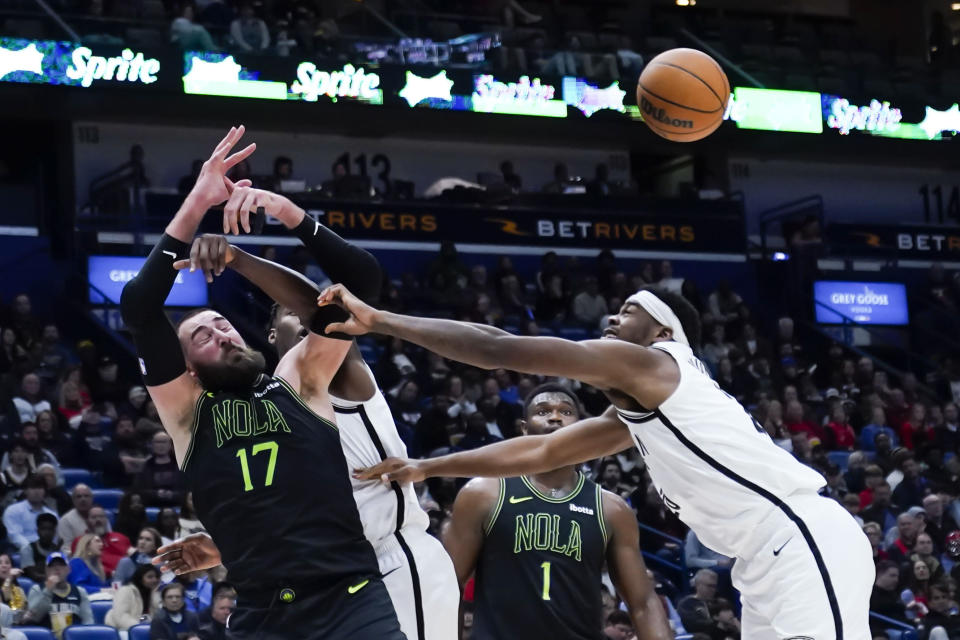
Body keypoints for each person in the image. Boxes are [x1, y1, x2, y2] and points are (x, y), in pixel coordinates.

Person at [333, 283, 876, 638]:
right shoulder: (654, 406)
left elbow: (499, 348)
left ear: (662, 333)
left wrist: (381, 320)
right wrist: (429, 467)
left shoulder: (654, 365)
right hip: (759, 563)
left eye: (628, 312)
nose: (613, 320)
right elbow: (540, 450)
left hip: (801, 537)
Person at [119, 127, 405, 640]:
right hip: (261, 612)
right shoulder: (187, 412)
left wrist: (286, 213)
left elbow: (362, 284)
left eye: (222, 323)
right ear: (185, 369)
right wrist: (200, 200)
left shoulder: (298, 378)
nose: (221, 334)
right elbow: (140, 306)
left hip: (350, 599)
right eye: (201, 337)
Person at [155, 224, 460, 639]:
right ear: (270, 333)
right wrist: (227, 545)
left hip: (390, 553)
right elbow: (289, 513)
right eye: (289, 312)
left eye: (302, 311)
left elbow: (337, 302)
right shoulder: (270, 393)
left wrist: (244, 254)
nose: (302, 316)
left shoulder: (328, 363)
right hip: (333, 573)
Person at [442, 384, 670, 638]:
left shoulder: (611, 509)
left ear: (583, 429)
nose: (555, 416)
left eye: (566, 411)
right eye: (543, 411)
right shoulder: (483, 494)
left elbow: (643, 602)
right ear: (524, 429)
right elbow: (446, 586)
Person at [22, 552, 93, 637]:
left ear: (68, 569)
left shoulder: (80, 592)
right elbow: (32, 619)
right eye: (52, 565)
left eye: (61, 565)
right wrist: (48, 591)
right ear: (46, 570)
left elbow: (88, 623)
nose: (57, 568)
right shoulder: (37, 590)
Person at [134, 431, 186, 507]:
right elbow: (138, 491)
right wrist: (156, 494)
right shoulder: (145, 467)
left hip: (177, 505)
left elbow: (188, 491)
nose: (161, 445)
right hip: (151, 505)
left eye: (164, 442)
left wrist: (173, 495)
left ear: (170, 445)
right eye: (158, 442)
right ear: (152, 445)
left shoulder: (181, 466)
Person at [2, 475, 56, 548]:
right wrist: (32, 549)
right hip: (20, 550)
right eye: (33, 488)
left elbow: (56, 537)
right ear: (25, 491)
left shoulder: (52, 514)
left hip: (46, 550)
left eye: (40, 488)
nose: (36, 492)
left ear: (45, 491)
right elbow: (14, 536)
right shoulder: (13, 510)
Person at [105, 564, 161, 631]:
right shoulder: (125, 590)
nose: (155, 580)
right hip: (122, 630)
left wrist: (155, 593)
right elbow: (121, 616)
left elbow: (159, 614)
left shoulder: (154, 592)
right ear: (140, 579)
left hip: (146, 628)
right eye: (150, 577)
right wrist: (139, 628)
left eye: (156, 577)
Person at [20, 513, 59, 583]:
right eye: (43, 529)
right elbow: (34, 576)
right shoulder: (28, 549)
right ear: (37, 531)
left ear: (54, 532)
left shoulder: (59, 550)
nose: (47, 533)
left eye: (50, 529)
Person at [677, 569, 719, 633]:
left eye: (714, 586)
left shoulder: (720, 602)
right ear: (698, 585)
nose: (713, 590)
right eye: (709, 586)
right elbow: (692, 625)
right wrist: (718, 622)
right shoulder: (686, 604)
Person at [56, 484, 94, 550]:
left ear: (92, 499)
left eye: (86, 496)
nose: (83, 499)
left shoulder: (100, 516)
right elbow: (66, 548)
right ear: (73, 500)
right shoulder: (66, 520)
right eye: (79, 497)